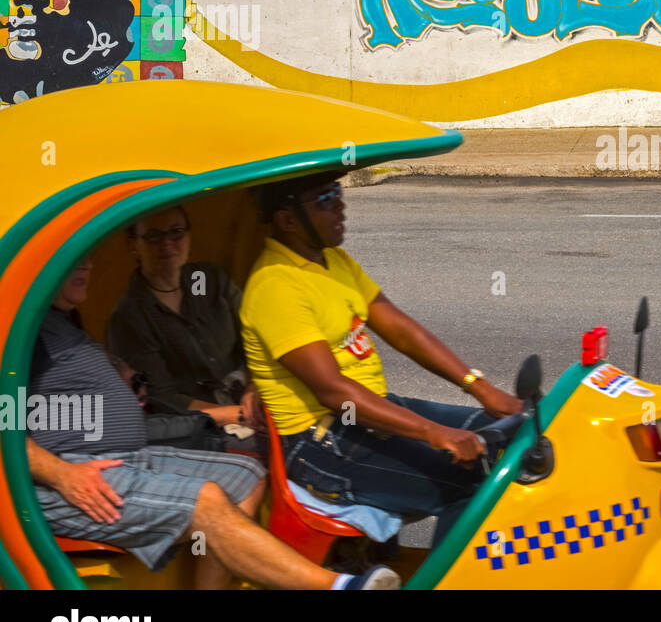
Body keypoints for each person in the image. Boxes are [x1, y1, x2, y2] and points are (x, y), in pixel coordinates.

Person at [27, 259, 399, 589]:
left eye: (86, 257)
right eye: (70, 260)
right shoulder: (19, 327)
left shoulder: (57, 320)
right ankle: (337, 586)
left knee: (245, 473)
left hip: (120, 454)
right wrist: (61, 474)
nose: (87, 265)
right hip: (65, 476)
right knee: (205, 500)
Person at [240, 171, 523, 543]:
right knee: (473, 480)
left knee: (520, 435)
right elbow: (333, 391)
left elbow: (402, 331)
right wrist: (434, 433)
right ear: (287, 220)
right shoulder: (275, 286)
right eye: (324, 199)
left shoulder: (333, 260)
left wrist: (480, 388)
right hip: (321, 445)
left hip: (372, 411)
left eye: (337, 192)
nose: (340, 205)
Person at [107, 205, 252, 429]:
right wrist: (239, 415)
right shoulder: (130, 316)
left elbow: (254, 337)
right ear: (133, 245)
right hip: (199, 424)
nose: (167, 244)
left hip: (253, 396)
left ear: (189, 236)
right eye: (153, 236)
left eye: (176, 232)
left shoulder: (204, 279)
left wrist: (254, 390)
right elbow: (163, 397)